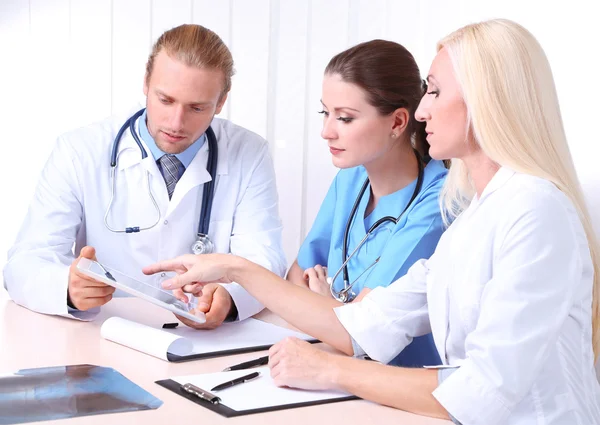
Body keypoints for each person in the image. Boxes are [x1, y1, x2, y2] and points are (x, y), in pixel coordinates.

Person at [144, 19, 600, 424]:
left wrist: (330, 369)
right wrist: (233, 268)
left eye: (435, 92)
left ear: (488, 102)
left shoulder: (535, 211)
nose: (422, 111)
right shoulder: (477, 217)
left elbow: (481, 392)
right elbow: (362, 325)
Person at [3, 24, 286, 329]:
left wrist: (229, 298)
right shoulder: (79, 151)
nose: (176, 122)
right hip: (106, 330)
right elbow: (25, 263)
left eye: (197, 107)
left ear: (220, 102)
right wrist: (68, 289)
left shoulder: (250, 154)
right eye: (165, 100)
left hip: (204, 342)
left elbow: (264, 262)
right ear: (146, 84)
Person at [286, 40, 447, 367]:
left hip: (398, 385)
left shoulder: (435, 204)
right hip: (334, 367)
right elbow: (296, 278)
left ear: (398, 122)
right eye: (325, 112)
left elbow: (360, 331)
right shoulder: (350, 180)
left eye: (344, 118)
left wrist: (327, 306)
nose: (326, 132)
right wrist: (333, 309)